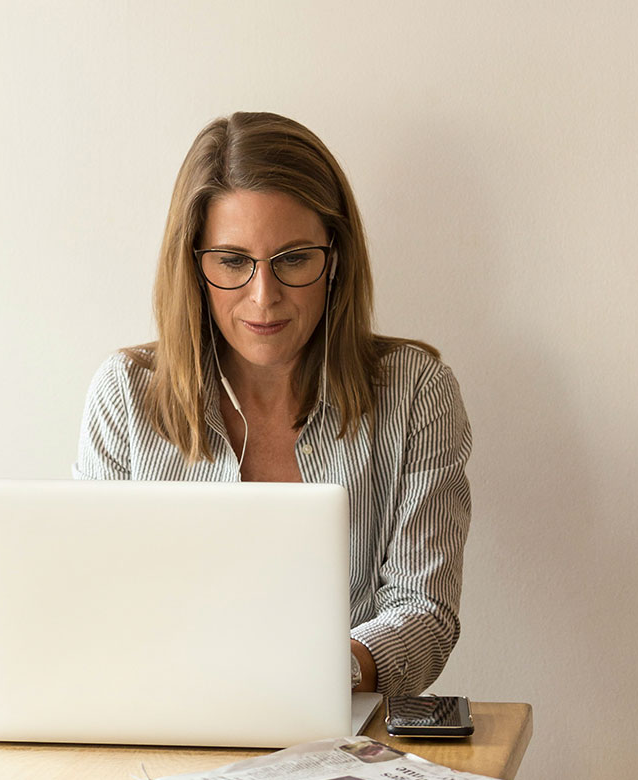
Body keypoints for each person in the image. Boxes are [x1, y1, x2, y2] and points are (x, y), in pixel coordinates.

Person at [72, 111, 472, 697]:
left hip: (340, 737)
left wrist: (318, 673)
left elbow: (425, 614)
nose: (264, 297)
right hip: (164, 727)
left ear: (334, 258)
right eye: (233, 261)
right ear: (194, 266)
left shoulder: (415, 392)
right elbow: (92, 606)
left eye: (292, 259)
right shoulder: (125, 396)